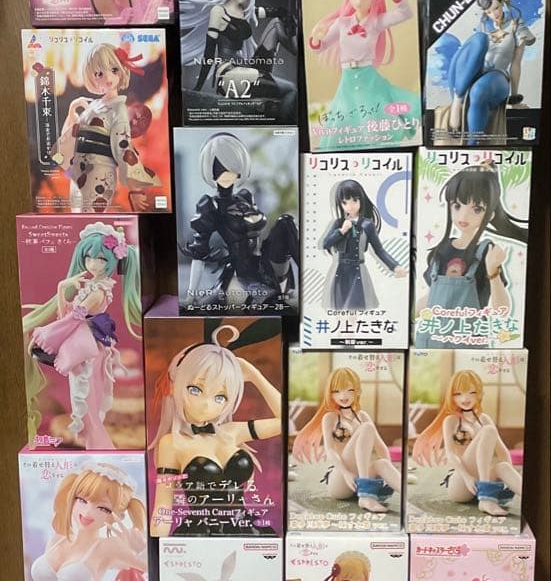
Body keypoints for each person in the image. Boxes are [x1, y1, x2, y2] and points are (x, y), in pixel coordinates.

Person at [149, 324, 281, 536]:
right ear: (174, 386)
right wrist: (158, 548)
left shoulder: (233, 432)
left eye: (220, 397)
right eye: (195, 389)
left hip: (245, 531)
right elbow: (163, 506)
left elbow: (285, 421)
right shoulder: (172, 444)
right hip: (201, 534)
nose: (206, 404)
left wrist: (255, 376)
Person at [22, 221, 142, 449]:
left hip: (85, 349)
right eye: (89, 258)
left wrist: (47, 335)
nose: (93, 264)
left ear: (113, 261)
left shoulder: (99, 290)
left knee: (88, 408)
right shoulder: (91, 285)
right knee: (85, 406)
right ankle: (95, 449)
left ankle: (99, 450)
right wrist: (61, 287)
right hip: (81, 345)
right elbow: (66, 313)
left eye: (102, 259)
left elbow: (73, 318)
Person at [415, 162, 528, 348]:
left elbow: (501, 309)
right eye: (457, 205)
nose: (463, 216)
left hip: (467, 344)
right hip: (431, 342)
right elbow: (432, 298)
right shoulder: (441, 250)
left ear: (489, 215)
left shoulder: (486, 252)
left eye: (477, 209)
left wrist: (493, 271)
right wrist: (405, 317)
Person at [308, 0, 419, 149]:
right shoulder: (342, 23)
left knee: (372, 110)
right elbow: (320, 47)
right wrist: (316, 39)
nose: (359, 0)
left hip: (368, 77)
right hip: (347, 78)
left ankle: (374, 147)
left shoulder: (376, 22)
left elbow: (405, 13)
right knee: (345, 112)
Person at [184, 132, 298, 311]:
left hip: (265, 261)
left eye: (232, 168)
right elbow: (199, 252)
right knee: (274, 305)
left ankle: (307, 276)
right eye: (220, 168)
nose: (227, 174)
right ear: (210, 169)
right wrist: (191, 296)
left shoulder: (245, 197)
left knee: (286, 222)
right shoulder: (211, 205)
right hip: (243, 271)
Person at [180, 0, 297, 120]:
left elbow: (276, 12)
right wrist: (198, 87)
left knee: (277, 23)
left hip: (247, 69)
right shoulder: (218, 11)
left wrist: (286, 17)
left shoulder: (246, 11)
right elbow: (209, 52)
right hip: (228, 74)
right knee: (290, 90)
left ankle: (300, 52)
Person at [49, 42, 160, 212]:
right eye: (99, 73)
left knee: (90, 216)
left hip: (99, 173)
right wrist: (72, 110)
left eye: (114, 70)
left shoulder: (119, 109)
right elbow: (73, 135)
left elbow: (123, 147)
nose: (108, 78)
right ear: (91, 77)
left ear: (122, 70)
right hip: (79, 170)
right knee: (78, 215)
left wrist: (135, 190)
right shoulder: (94, 105)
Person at [412, 369, 522, 517]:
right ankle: (486, 497)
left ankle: (533, 501)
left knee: (503, 466)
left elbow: (502, 451)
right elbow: (450, 454)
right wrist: (466, 476)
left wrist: (507, 476)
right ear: (451, 396)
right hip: (461, 482)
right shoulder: (451, 420)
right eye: (458, 394)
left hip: (480, 479)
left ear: (480, 394)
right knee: (488, 430)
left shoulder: (484, 419)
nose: (465, 398)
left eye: (472, 392)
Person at [292, 366, 401, 514]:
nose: (343, 396)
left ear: (357, 391)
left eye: (349, 390)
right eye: (336, 391)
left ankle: (406, 495)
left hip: (359, 478)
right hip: (340, 480)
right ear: (330, 394)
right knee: (367, 427)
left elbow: (380, 446)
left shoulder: (362, 416)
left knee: (383, 463)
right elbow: (330, 450)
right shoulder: (330, 418)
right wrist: (345, 473)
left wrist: (387, 471)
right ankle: (365, 495)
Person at [447, 0, 536, 142]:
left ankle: (472, 144)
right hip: (472, 72)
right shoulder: (483, 25)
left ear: (502, 3)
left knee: (478, 90)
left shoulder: (517, 26)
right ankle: (457, 99)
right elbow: (468, 55)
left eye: (496, 8)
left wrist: (514, 98)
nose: (493, 14)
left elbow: (516, 64)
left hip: (496, 76)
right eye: (488, 12)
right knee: (479, 39)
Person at [321, 178, 407, 312]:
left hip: (357, 272)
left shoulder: (367, 225)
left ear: (361, 200)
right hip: (340, 272)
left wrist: (395, 266)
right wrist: (342, 231)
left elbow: (379, 250)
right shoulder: (338, 224)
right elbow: (326, 244)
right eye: (345, 202)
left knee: (353, 311)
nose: (350, 206)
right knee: (341, 312)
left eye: (354, 200)